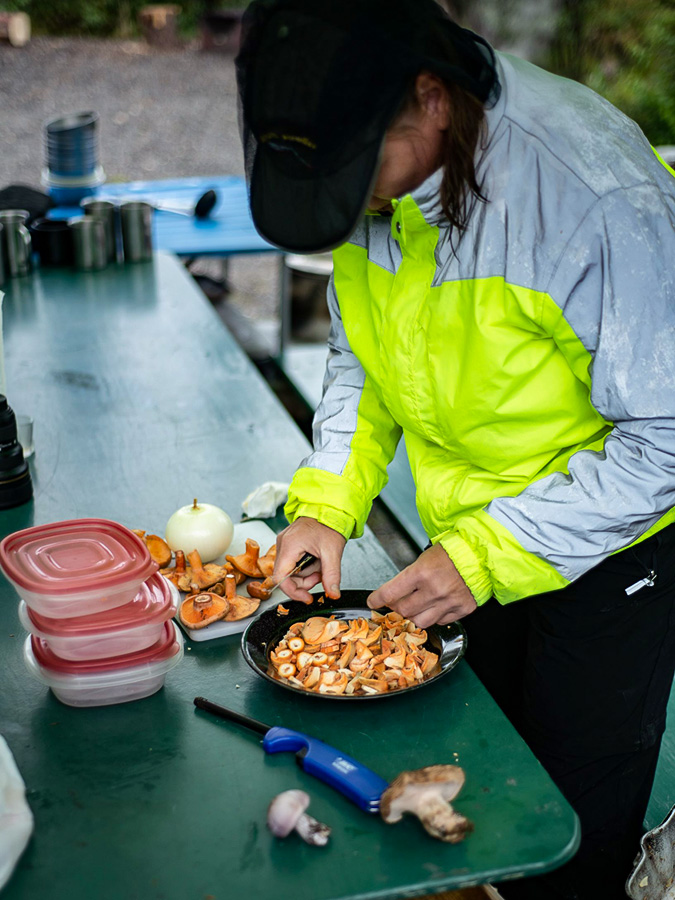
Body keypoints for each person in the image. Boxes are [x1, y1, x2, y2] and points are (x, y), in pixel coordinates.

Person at [235, 1, 675, 897]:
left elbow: (666, 437)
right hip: (465, 550)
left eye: (363, 172)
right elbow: (362, 350)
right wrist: (326, 501)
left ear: (431, 97)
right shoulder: (379, 168)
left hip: (604, 555)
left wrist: (487, 551)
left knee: (566, 833)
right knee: (484, 795)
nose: (357, 201)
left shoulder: (592, 195)